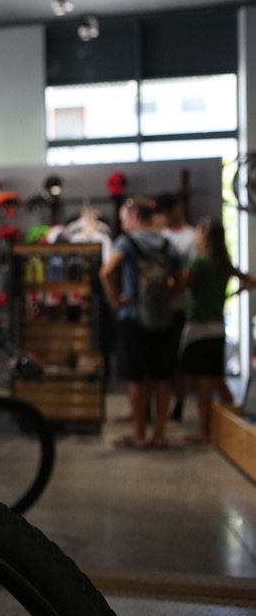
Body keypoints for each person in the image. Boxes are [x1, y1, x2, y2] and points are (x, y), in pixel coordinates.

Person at [99, 195, 182, 449]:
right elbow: (181, 278)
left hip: (133, 316)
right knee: (162, 378)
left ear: (135, 216)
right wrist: (166, 297)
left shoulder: (127, 242)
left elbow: (106, 272)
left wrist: (116, 299)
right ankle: (159, 435)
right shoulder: (167, 243)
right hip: (163, 317)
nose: (123, 224)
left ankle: (139, 434)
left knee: (136, 378)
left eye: (124, 218)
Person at [178, 218, 255, 444]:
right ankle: (235, 425)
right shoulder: (223, 263)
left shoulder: (200, 263)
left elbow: (182, 285)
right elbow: (251, 281)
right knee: (218, 379)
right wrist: (231, 294)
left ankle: (204, 430)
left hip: (199, 327)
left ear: (204, 235)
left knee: (203, 381)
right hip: (217, 327)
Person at [153, 191, 197, 421]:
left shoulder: (191, 237)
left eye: (163, 213)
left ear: (175, 210)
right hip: (160, 308)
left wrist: (173, 289)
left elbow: (190, 276)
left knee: (178, 361)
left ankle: (179, 403)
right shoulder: (161, 236)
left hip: (180, 307)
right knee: (161, 361)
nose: (159, 218)